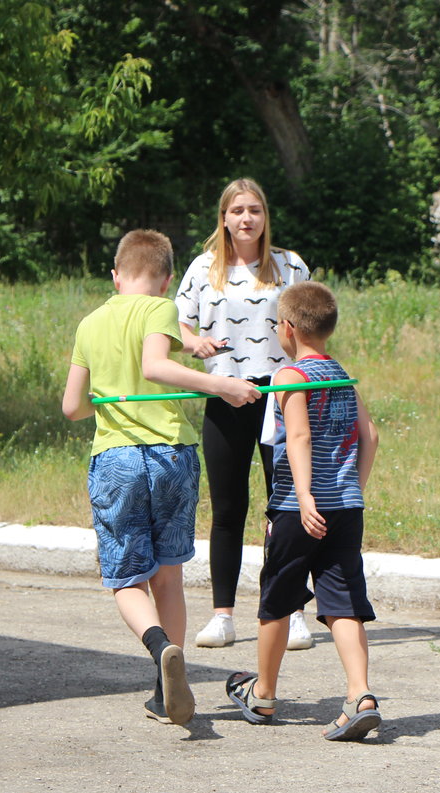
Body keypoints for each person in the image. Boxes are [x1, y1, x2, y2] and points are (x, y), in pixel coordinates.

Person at [62, 229, 260, 725]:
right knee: (168, 576)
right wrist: (220, 385)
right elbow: (154, 366)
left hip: (117, 460)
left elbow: (72, 407)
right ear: (168, 279)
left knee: (127, 579)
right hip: (172, 455)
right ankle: (166, 682)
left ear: (115, 275)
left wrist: (108, 396)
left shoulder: (90, 323)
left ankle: (158, 648)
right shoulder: (161, 307)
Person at [224, 281, 382, 741]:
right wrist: (350, 488)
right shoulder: (341, 374)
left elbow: (298, 436)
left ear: (287, 328)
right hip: (345, 507)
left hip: (298, 509)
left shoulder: (289, 376)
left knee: (277, 598)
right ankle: (360, 695)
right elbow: (371, 436)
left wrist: (307, 496)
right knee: (343, 603)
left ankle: (263, 694)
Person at [175, 178, 315, 651]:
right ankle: (223, 616)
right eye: (237, 211)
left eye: (254, 210)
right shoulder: (202, 268)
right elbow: (177, 324)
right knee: (228, 508)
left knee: (287, 506)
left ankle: (292, 612)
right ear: (224, 218)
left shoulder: (290, 265)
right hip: (225, 393)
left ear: (265, 216)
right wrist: (195, 343)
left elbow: (312, 325)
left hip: (282, 395)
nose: (246, 218)